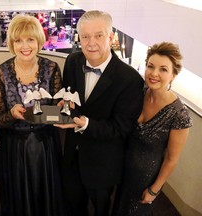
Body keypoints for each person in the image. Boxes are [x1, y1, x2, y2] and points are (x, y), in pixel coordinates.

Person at [54, 10, 144, 216]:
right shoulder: (73, 61)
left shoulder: (130, 79)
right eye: (85, 36)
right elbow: (70, 99)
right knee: (72, 207)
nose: (91, 42)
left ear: (111, 37)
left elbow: (121, 128)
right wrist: (64, 107)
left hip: (103, 164)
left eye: (98, 35)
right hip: (72, 156)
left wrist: (85, 124)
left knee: (101, 210)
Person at [0, 14, 65, 216]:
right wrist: (12, 114)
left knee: (48, 198)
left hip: (46, 146)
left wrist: (63, 108)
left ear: (38, 41)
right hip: (15, 149)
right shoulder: (0, 73)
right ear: (11, 43)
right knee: (20, 201)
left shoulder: (51, 69)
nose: (25, 46)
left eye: (30, 39)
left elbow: (58, 111)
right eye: (18, 40)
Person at [112, 42, 193, 216]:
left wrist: (155, 190)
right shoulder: (138, 92)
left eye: (163, 69)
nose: (154, 74)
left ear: (173, 74)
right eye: (151, 66)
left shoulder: (179, 114)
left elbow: (171, 159)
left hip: (145, 178)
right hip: (123, 168)